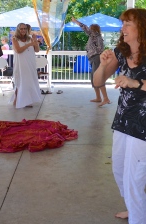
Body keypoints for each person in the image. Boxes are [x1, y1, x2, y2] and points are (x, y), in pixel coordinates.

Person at [93, 8, 146, 224]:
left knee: (135, 177)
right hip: (123, 120)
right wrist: (103, 65)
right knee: (119, 168)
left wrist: (136, 83)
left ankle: (138, 216)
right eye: (122, 23)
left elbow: (135, 83)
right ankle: (135, 208)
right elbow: (97, 82)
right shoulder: (121, 52)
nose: (122, 28)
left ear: (141, 28)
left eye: (128, 24)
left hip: (143, 125)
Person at [72, 17, 111, 107]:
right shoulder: (97, 37)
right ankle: (98, 97)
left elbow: (84, 27)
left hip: (96, 58)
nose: (89, 29)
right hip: (94, 58)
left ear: (93, 29)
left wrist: (75, 21)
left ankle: (105, 98)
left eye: (91, 28)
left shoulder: (94, 35)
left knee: (97, 78)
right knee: (94, 78)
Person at [12, 22, 41, 108]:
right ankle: (17, 98)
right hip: (20, 63)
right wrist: (30, 44)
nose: (23, 30)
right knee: (20, 80)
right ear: (18, 29)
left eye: (25, 28)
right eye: (21, 29)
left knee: (29, 81)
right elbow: (18, 50)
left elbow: (37, 50)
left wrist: (35, 42)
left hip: (30, 62)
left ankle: (27, 100)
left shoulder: (30, 38)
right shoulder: (15, 39)